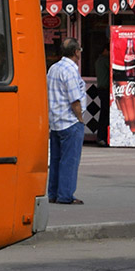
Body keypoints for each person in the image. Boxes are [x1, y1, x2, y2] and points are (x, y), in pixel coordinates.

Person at [46, 38, 87, 205]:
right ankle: (65, 195)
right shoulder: (70, 71)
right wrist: (80, 119)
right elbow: (74, 100)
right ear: (76, 52)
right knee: (70, 160)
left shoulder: (54, 68)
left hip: (55, 121)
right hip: (69, 121)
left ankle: (53, 193)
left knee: (56, 159)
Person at [94, 46, 110, 145]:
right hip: (105, 89)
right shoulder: (105, 60)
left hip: (101, 89)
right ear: (105, 50)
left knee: (104, 113)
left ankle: (101, 137)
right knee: (105, 114)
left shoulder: (98, 61)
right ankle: (102, 137)